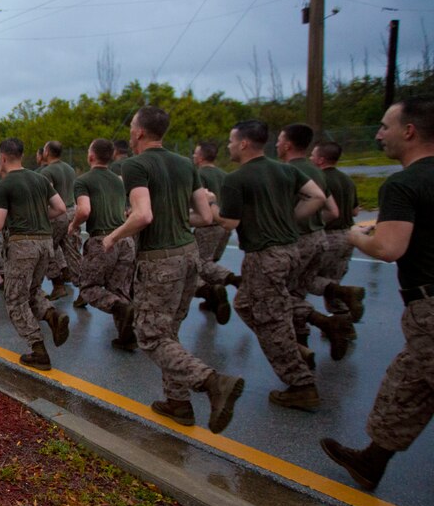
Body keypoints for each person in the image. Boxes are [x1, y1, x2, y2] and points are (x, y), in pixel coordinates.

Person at [103, 106, 244, 434]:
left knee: (150, 337)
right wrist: (178, 218)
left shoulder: (135, 165)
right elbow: (206, 217)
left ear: (139, 132)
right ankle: (177, 402)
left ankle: (211, 382)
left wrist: (112, 236)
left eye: (131, 128)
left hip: (159, 260)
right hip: (189, 254)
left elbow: (142, 216)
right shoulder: (185, 164)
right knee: (168, 331)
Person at [320, 96, 434, 490]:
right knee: (406, 384)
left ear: (410, 131)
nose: (379, 133)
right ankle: (372, 459)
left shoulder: (403, 184)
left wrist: (356, 236)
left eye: (385, 126)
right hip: (423, 312)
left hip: (429, 303)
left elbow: (388, 248)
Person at [217, 120, 326, 410]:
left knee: (271, 319)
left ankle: (301, 383)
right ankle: (293, 349)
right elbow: (317, 197)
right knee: (244, 304)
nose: (228, 146)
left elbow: (229, 222)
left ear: (243, 143)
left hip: (264, 255)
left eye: (230, 140)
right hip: (290, 250)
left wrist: (212, 208)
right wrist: (291, 219)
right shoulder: (288, 170)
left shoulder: (236, 179)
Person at [0, 138, 70, 370]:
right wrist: (37, 218)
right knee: (32, 290)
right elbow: (60, 208)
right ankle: (51, 315)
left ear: (3, 158)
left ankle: (38, 349)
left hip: (22, 246)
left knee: (15, 300)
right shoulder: (40, 178)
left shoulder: (3, 186)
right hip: (45, 243)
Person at [277, 124, 357, 361]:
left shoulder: (286, 172)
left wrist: (291, 223)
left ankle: (306, 339)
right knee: (300, 289)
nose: (277, 143)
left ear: (288, 144)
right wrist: (314, 223)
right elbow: (332, 211)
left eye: (279, 139)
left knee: (280, 294)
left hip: (297, 240)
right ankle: (337, 296)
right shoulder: (318, 173)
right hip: (320, 237)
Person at [72, 139, 136, 350]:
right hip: (125, 239)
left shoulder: (83, 181)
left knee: (89, 287)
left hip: (103, 240)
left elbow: (84, 210)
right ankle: (126, 337)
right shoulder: (119, 181)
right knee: (120, 288)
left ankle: (118, 308)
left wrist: (73, 225)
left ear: (91, 156)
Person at [309, 141, 365, 321]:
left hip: (328, 235)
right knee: (333, 281)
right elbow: (355, 210)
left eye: (312, 155)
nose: (310, 158)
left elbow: (327, 210)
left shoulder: (319, 180)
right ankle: (343, 322)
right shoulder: (347, 179)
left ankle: (303, 320)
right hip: (347, 236)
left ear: (320, 160)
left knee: (304, 279)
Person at [190, 141, 239, 324]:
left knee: (200, 263)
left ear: (201, 157)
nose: (194, 156)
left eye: (196, 153)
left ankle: (225, 283)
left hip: (207, 225)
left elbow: (196, 201)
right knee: (211, 260)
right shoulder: (225, 175)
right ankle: (212, 299)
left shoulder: (199, 175)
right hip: (224, 224)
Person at [38, 140, 80, 301]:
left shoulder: (47, 172)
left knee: (48, 249)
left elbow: (48, 196)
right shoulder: (69, 169)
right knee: (72, 252)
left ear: (47, 151)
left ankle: (58, 284)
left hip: (57, 214)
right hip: (72, 211)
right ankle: (83, 288)